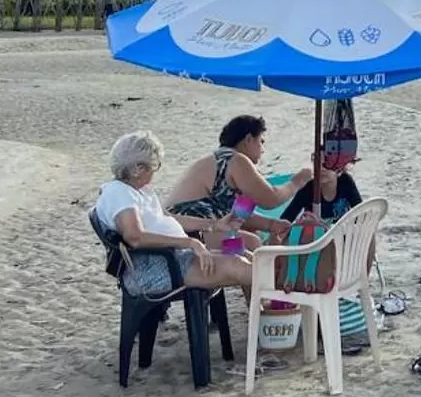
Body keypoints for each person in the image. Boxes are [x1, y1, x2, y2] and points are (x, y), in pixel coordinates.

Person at [93, 131, 268, 305]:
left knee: (244, 255)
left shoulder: (137, 190)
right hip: (156, 268)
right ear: (139, 168)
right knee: (236, 263)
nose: (154, 173)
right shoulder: (119, 193)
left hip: (172, 259)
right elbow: (135, 237)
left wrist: (214, 225)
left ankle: (264, 315)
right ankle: (278, 310)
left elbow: (169, 218)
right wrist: (191, 243)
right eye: (154, 166)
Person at [163, 115, 309, 237]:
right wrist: (298, 181)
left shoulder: (222, 161)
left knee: (254, 240)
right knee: (252, 243)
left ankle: (261, 269)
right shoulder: (235, 160)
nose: (263, 149)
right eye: (261, 142)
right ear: (248, 140)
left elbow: (238, 216)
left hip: (188, 227)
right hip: (188, 227)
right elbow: (270, 199)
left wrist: (271, 225)